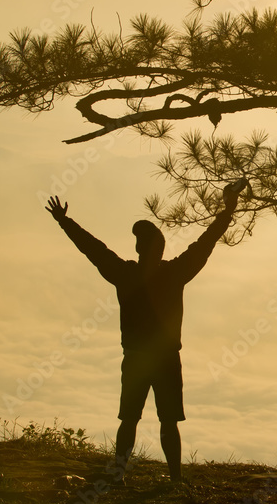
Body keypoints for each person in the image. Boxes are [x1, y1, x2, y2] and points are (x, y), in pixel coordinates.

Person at [45, 180, 246, 484]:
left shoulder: (128, 273)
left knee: (133, 419)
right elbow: (205, 243)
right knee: (160, 421)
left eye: (140, 241)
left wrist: (65, 222)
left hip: (143, 358)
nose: (137, 246)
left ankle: (127, 474)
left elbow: (94, 250)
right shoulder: (171, 272)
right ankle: (173, 477)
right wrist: (228, 210)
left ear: (144, 247)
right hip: (161, 359)